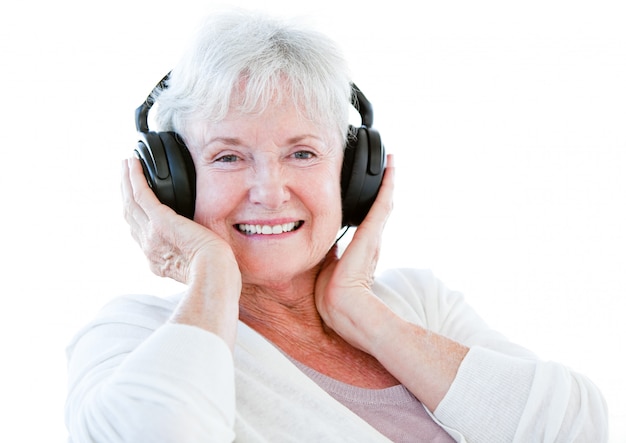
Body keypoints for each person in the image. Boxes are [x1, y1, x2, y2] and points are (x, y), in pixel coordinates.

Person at [65, 10, 608, 443]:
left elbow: (578, 429)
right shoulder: (134, 335)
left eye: (302, 153)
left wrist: (360, 311)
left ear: (351, 175)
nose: (270, 191)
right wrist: (212, 273)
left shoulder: (418, 302)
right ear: (174, 182)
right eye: (228, 157)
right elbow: (155, 432)